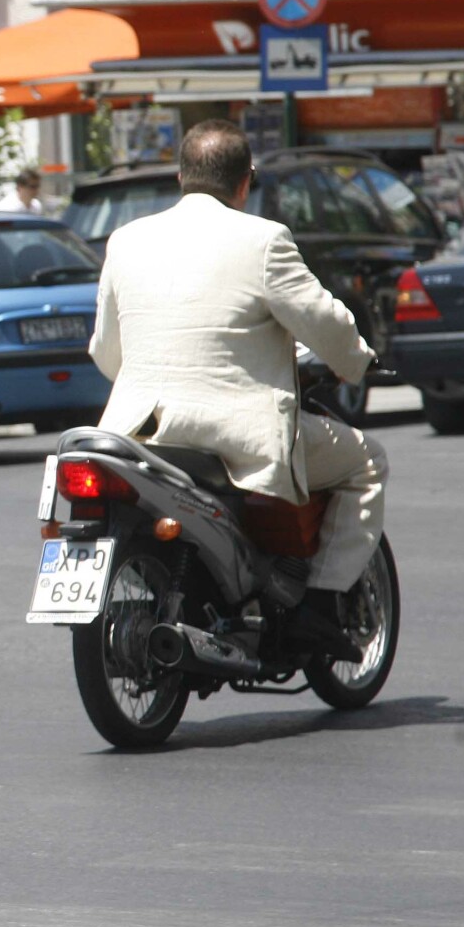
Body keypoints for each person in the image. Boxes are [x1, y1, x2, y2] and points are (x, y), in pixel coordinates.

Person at [90, 119, 383, 656]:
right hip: (230, 437)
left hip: (138, 433)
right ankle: (318, 606)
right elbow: (326, 324)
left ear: (180, 176)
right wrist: (356, 362)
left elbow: (106, 352)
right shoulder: (263, 239)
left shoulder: (125, 240)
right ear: (247, 181)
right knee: (367, 460)